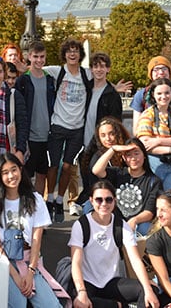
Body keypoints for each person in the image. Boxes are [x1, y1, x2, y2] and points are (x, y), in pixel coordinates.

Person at [0, 153, 69, 308]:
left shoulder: (35, 199)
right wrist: (15, 276)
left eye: (14, 170)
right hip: (3, 262)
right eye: (5, 173)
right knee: (18, 304)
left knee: (52, 305)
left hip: (29, 261)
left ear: (20, 170)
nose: (11, 176)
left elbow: (36, 240)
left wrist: (31, 272)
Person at [69, 180, 160, 308]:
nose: (104, 204)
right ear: (91, 201)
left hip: (112, 282)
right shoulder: (81, 225)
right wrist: (81, 292)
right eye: (99, 200)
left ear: (115, 201)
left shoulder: (121, 225)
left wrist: (147, 288)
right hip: (87, 282)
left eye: (108, 200)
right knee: (80, 303)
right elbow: (76, 263)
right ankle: (118, 305)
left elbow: (135, 260)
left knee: (150, 291)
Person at [44, 39, 93, 223]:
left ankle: (59, 200)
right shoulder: (58, 71)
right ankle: (49, 200)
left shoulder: (86, 74)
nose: (72, 54)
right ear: (64, 54)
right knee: (53, 165)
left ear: (80, 55)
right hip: (58, 125)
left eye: (76, 51)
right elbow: (36, 68)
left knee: (67, 167)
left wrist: (116, 88)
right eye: (69, 51)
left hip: (77, 129)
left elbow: (101, 80)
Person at [73, 51, 123, 216]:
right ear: (91, 69)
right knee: (86, 179)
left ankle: (93, 212)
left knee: (96, 181)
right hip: (83, 142)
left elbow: (115, 123)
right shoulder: (85, 88)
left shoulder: (112, 95)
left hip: (99, 144)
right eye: (95, 66)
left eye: (102, 66)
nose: (99, 70)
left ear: (108, 69)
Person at [92, 137, 162, 236]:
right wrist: (113, 149)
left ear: (144, 156)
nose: (133, 158)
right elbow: (96, 170)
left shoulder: (153, 181)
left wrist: (134, 220)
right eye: (128, 155)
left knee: (145, 228)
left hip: (139, 223)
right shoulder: (118, 173)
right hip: (114, 220)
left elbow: (149, 212)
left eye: (137, 153)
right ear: (124, 158)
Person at [135, 78, 171, 192]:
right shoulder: (147, 114)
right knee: (153, 201)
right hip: (153, 164)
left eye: (167, 93)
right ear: (153, 95)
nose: (163, 97)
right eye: (159, 93)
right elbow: (145, 145)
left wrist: (157, 141)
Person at [15, 41, 56, 198]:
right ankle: (25, 203)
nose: (39, 60)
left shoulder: (49, 79)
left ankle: (38, 205)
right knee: (26, 174)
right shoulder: (23, 80)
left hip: (47, 134)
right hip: (29, 135)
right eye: (36, 56)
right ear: (29, 57)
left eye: (42, 57)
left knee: (42, 174)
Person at [78, 116, 129, 215]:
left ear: (118, 134)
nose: (108, 139)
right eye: (103, 135)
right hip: (102, 199)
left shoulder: (127, 153)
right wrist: (113, 149)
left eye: (111, 134)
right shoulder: (98, 158)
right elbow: (97, 172)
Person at [130, 56, 171, 132]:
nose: (161, 72)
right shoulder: (141, 95)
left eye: (164, 69)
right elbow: (136, 128)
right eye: (156, 69)